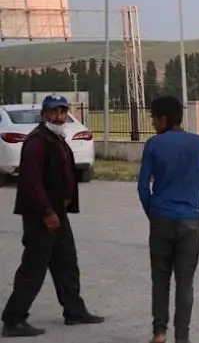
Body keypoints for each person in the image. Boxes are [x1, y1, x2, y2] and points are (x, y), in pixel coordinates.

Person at [1, 94, 104, 338]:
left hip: (58, 213)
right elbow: (31, 182)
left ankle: (74, 311)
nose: (58, 117)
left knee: (66, 263)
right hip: (42, 216)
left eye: (62, 112)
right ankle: (14, 320)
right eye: (53, 112)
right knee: (33, 267)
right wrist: (47, 212)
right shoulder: (37, 141)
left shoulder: (56, 139)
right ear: (44, 115)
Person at [137, 96, 199, 343]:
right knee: (185, 283)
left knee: (160, 279)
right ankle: (182, 337)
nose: (152, 123)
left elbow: (143, 187)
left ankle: (159, 332)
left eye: (154, 118)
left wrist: (153, 213)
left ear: (164, 119)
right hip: (189, 221)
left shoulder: (153, 145)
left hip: (161, 218)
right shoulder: (198, 143)